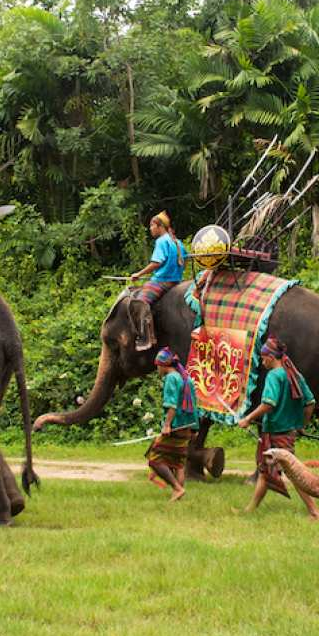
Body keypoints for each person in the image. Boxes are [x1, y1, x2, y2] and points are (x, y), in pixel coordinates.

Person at [238, 337, 319, 521]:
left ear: (270, 357)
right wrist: (300, 424)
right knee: (265, 472)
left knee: (293, 474)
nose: (262, 362)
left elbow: (268, 404)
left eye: (263, 358)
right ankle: (250, 510)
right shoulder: (294, 374)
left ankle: (315, 513)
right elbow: (310, 403)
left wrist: (248, 418)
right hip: (286, 432)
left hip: (277, 433)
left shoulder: (274, 376)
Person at [125, 212, 186, 351]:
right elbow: (184, 260)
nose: (150, 229)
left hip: (162, 281)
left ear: (159, 226)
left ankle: (147, 338)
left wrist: (138, 274)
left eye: (152, 226)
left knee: (139, 302)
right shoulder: (177, 241)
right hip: (176, 281)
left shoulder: (161, 241)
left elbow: (156, 263)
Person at [146, 348, 199, 501]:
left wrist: (167, 425)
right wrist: (195, 428)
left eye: (158, 366)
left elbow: (171, 405)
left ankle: (177, 488)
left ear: (163, 365)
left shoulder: (171, 378)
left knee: (154, 459)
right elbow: (194, 405)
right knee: (178, 463)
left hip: (175, 427)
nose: (157, 369)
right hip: (187, 427)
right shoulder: (186, 378)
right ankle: (178, 494)